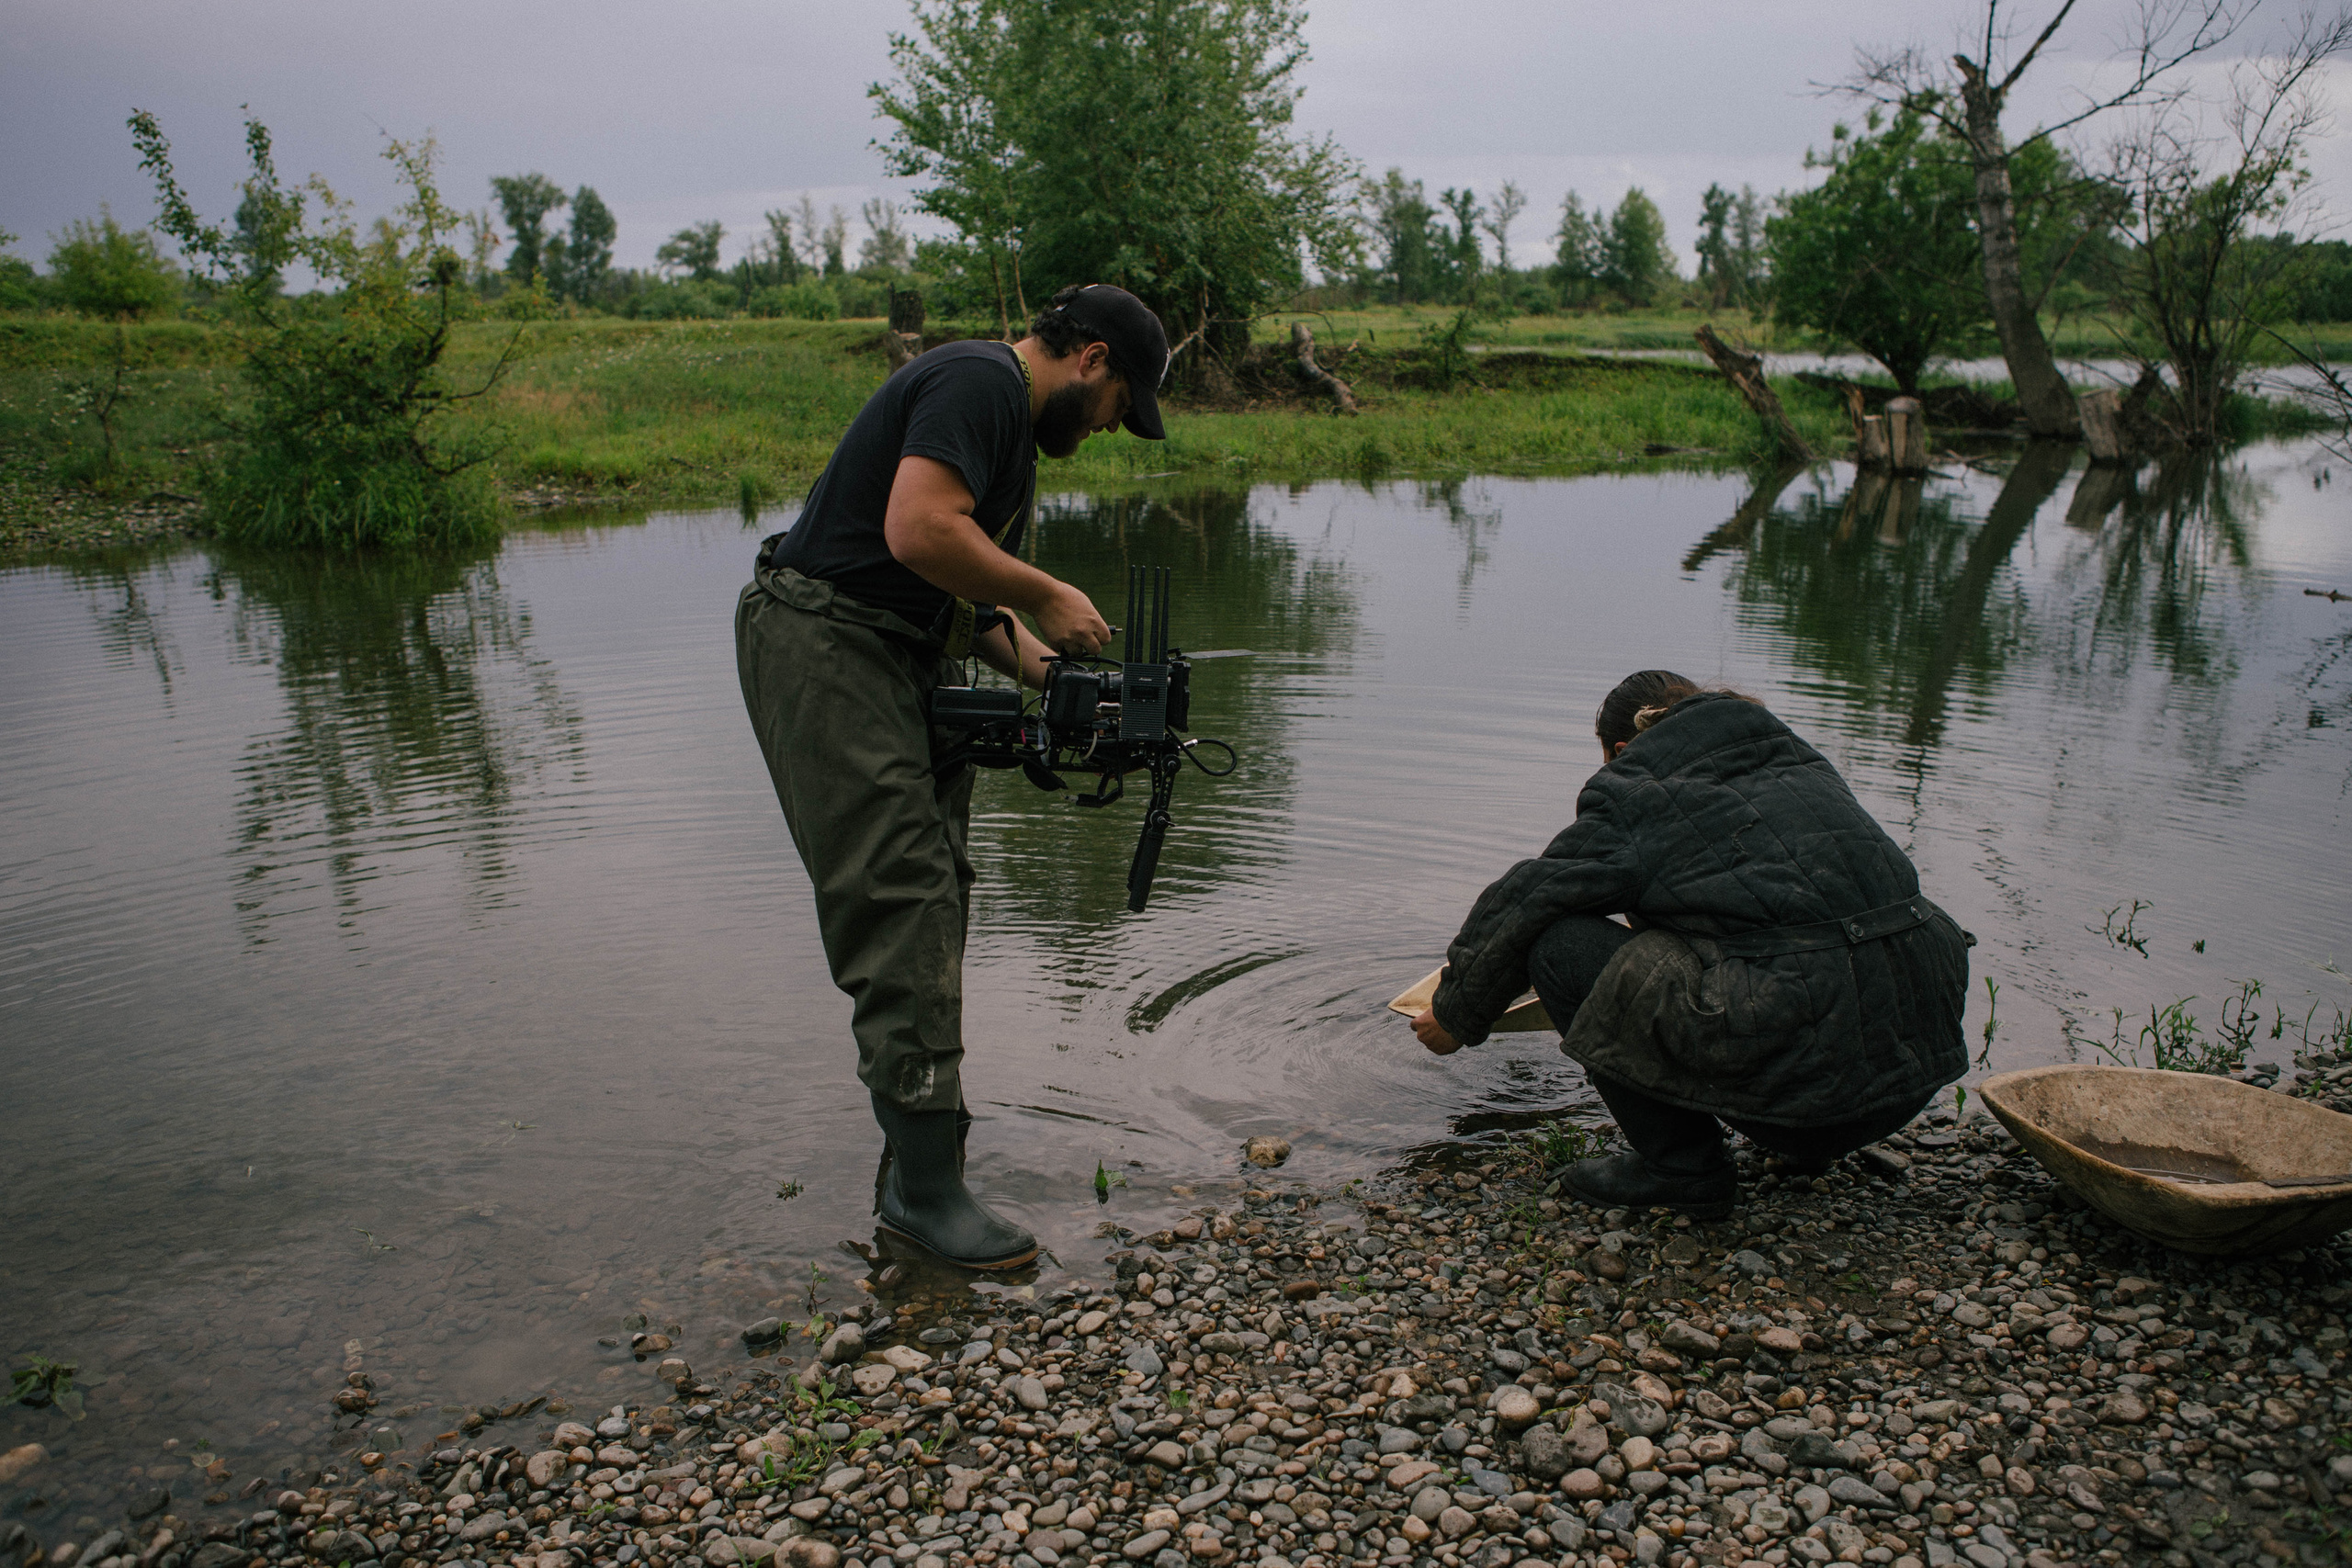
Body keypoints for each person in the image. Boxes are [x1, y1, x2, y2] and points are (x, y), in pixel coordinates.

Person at [735, 284, 1170, 1269]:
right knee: (901, 897)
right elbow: (920, 532)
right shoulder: (980, 379)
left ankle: (914, 1171)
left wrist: (1064, 679)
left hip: (898, 649)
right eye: (1117, 409)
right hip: (827, 645)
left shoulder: (1003, 423)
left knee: (939, 889)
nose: (1108, 430)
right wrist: (1049, 590)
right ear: (1092, 360)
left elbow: (964, 600)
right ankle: (927, 1195)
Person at [1409, 671, 1970, 1219]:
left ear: (1623, 748)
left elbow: (1526, 899)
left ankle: (1683, 1169)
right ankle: (1807, 1126)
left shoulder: (1640, 789)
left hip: (1812, 1106)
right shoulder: (1797, 763)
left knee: (1559, 944)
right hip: (1909, 1078)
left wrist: (1456, 1015)